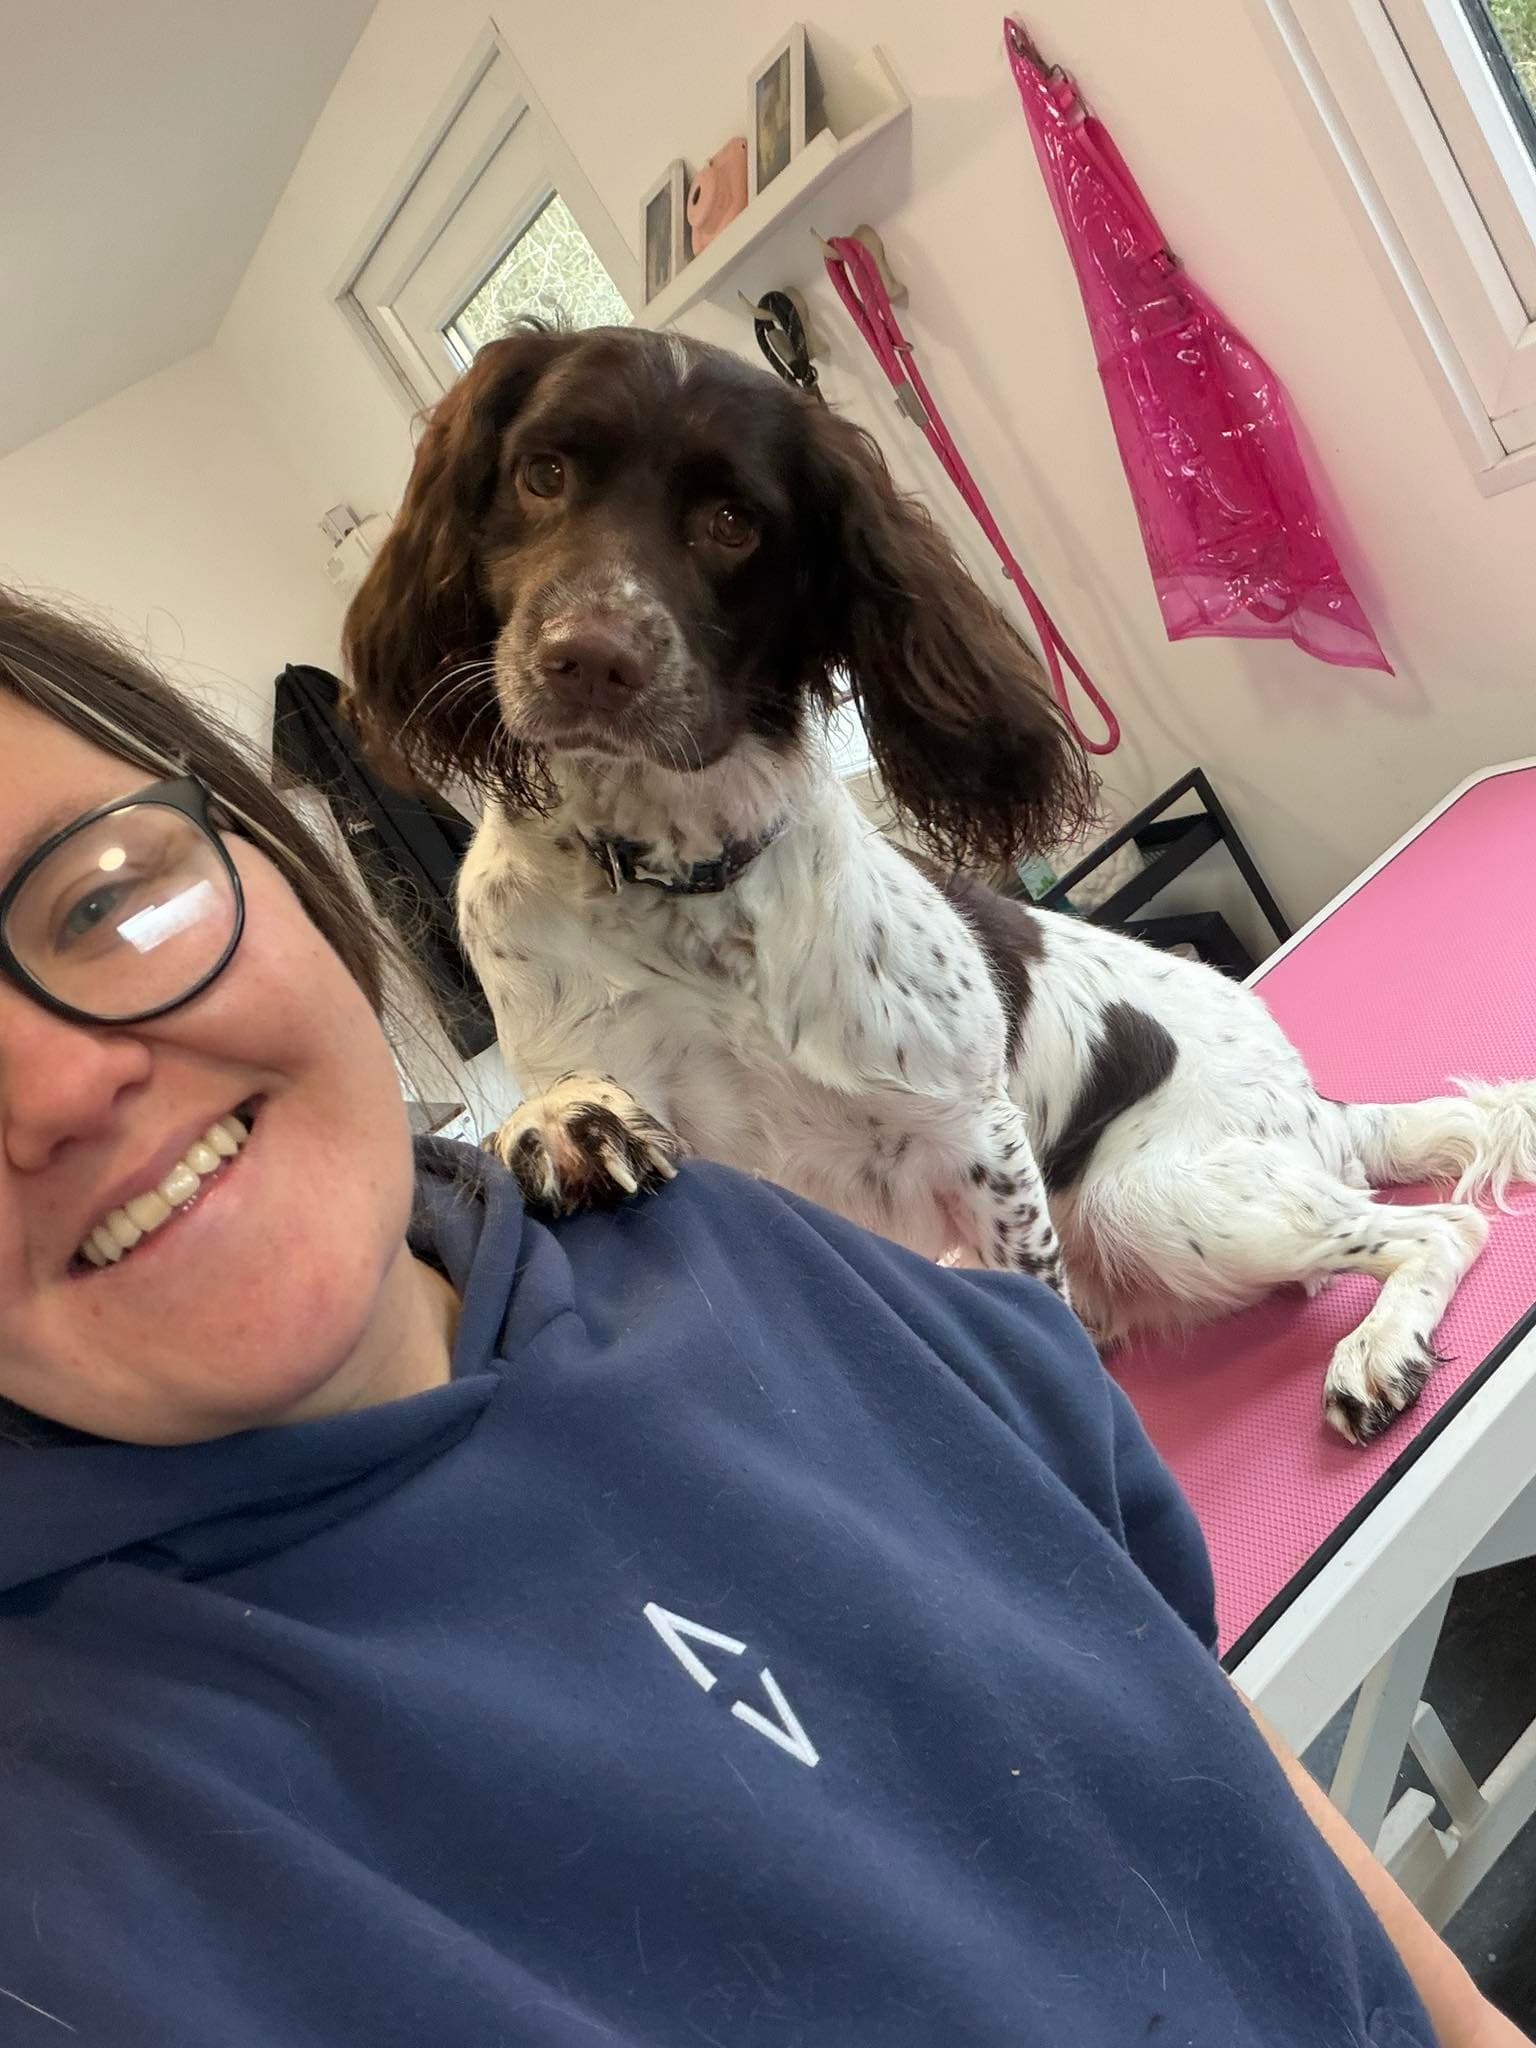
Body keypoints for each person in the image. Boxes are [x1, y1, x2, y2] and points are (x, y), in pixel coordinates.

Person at [0, 588, 1522, 2048]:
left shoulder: (751, 1242)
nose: (63, 1091)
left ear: (266, 848)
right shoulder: (72, 1888)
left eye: (100, 898)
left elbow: (1186, 1719)